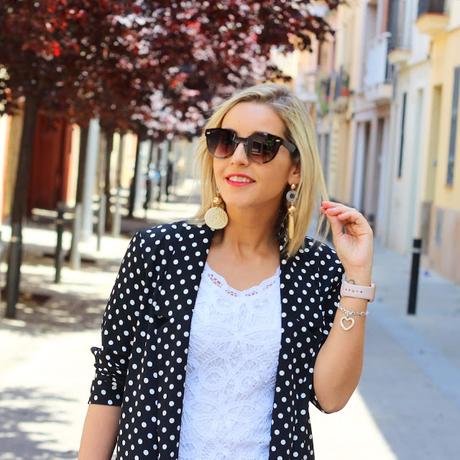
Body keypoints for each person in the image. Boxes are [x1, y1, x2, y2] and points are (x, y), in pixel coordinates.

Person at [78, 83, 375, 460]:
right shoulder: (160, 252)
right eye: (224, 141)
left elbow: (330, 397)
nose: (237, 157)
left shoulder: (317, 269)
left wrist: (358, 279)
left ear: (296, 168)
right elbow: (111, 379)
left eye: (260, 146)